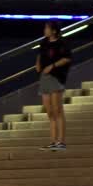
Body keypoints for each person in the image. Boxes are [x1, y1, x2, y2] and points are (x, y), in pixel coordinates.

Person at [35, 21, 72, 151]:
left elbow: (67, 58)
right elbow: (40, 55)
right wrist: (38, 65)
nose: (45, 30)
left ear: (54, 31)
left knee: (58, 110)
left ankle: (61, 141)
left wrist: (53, 66)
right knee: (49, 111)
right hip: (44, 78)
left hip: (56, 77)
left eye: (47, 28)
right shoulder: (44, 42)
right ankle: (53, 141)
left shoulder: (61, 43)